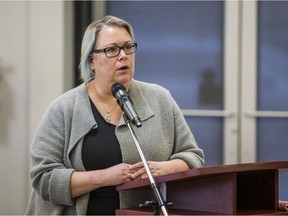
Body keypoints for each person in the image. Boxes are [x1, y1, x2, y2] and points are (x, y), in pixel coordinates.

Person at [25, 15, 205, 215]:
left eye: (128, 47)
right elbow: (43, 178)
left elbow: (193, 156)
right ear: (91, 60)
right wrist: (104, 177)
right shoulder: (64, 109)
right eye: (112, 49)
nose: (123, 55)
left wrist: (165, 169)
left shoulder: (159, 98)